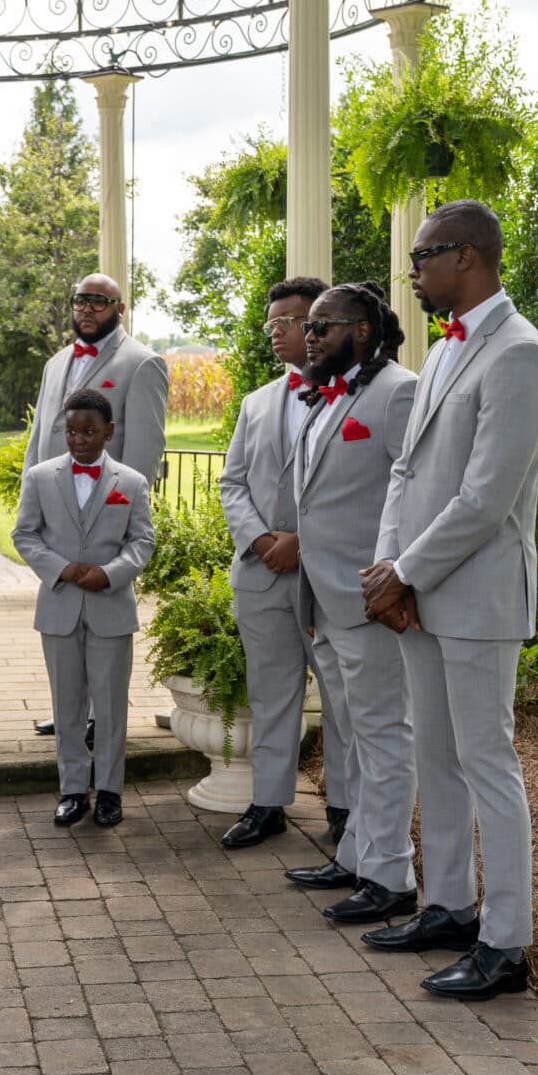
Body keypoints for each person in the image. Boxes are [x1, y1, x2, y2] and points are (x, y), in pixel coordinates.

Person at [361, 200, 538, 1001]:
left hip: (476, 595)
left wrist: (404, 571)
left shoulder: (519, 354)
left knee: (486, 761)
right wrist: (386, 566)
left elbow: (484, 499)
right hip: (418, 588)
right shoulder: (445, 353)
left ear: (467, 257)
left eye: (422, 256)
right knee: (434, 758)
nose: (412, 272)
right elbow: (406, 471)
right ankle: (447, 904)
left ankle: (506, 944)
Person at [282, 282, 421, 926]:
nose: (308, 337)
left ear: (362, 329)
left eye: (321, 326)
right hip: (325, 598)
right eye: (307, 327)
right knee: (355, 738)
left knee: (384, 737)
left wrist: (397, 579)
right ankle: (358, 854)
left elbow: (414, 494)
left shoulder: (398, 392)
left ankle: (391, 876)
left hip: (371, 599)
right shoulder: (325, 395)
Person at [218, 276, 351, 852]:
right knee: (271, 695)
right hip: (263, 572)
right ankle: (268, 803)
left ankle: (346, 806)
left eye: (288, 322)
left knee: (343, 697)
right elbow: (232, 482)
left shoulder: (358, 396)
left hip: (330, 576)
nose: (277, 333)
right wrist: (261, 541)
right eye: (271, 324)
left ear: (320, 322)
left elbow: (363, 491)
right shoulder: (256, 403)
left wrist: (305, 541)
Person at [24, 272, 169, 738]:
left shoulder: (142, 363)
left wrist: (121, 516)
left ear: (119, 308)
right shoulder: (56, 363)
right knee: (64, 623)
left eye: (99, 301)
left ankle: (98, 717)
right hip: (56, 511)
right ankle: (71, 711)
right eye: (80, 300)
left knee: (102, 626)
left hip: (106, 517)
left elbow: (143, 453)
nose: (86, 309)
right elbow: (38, 439)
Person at [12, 389, 155, 830]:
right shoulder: (40, 477)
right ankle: (73, 790)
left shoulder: (130, 483)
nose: (79, 439)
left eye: (89, 431)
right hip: (59, 608)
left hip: (111, 608)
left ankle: (110, 792)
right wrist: (62, 568)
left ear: (109, 432)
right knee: (67, 704)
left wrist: (111, 574)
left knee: (111, 706)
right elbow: (25, 535)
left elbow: (142, 542)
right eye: (71, 430)